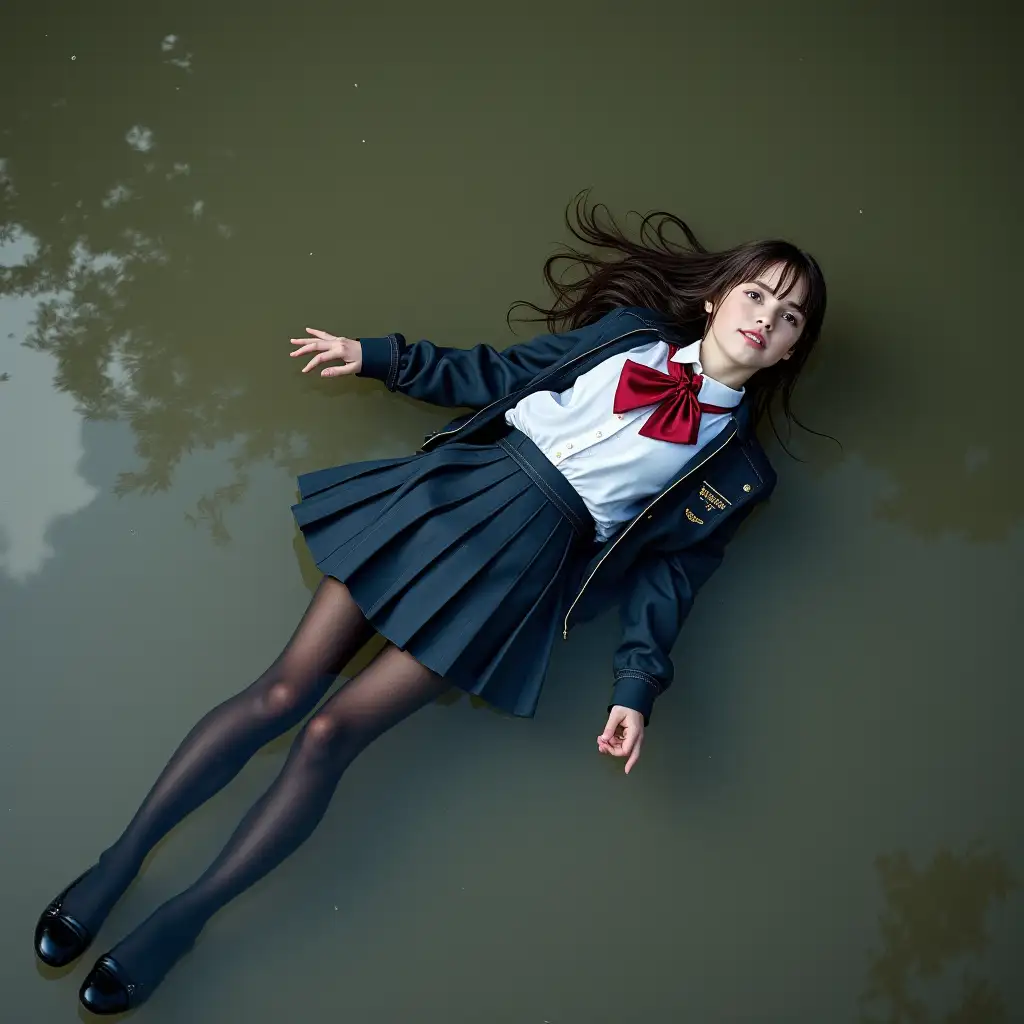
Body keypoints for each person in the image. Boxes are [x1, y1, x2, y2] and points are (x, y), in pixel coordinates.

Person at [33, 193, 827, 1014]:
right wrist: (379, 356)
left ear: (789, 352)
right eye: (757, 294)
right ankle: (117, 863)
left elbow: (671, 580)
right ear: (718, 296)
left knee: (331, 737)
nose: (767, 318)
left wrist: (636, 689)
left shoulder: (739, 473)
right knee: (284, 690)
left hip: (516, 573)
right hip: (447, 497)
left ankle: (183, 918)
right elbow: (503, 372)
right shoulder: (626, 332)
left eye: (791, 316)